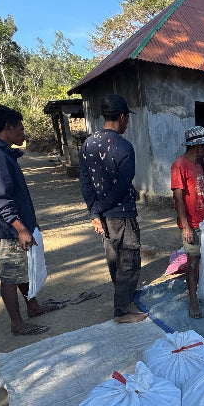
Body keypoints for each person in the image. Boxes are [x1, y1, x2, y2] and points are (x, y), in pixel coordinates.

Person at [0, 104, 62, 336]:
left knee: (24, 270)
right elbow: (0, 198)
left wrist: (29, 224)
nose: (24, 133)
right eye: (21, 128)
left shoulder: (1, 152)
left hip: (15, 226)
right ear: (8, 127)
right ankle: (17, 323)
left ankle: (33, 306)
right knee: (11, 275)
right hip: (8, 230)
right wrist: (21, 228)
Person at [78, 93, 147, 324]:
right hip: (122, 214)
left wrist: (94, 213)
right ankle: (122, 311)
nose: (127, 122)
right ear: (121, 117)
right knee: (129, 260)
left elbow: (85, 182)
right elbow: (122, 186)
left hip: (104, 216)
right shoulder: (124, 146)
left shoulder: (88, 144)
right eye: (127, 118)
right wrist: (99, 208)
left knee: (113, 259)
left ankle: (122, 301)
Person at [171, 126, 204, 319]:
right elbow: (178, 198)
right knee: (192, 261)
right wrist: (186, 226)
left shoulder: (198, 164)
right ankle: (193, 302)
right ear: (197, 146)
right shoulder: (179, 164)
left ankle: (198, 290)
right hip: (192, 223)